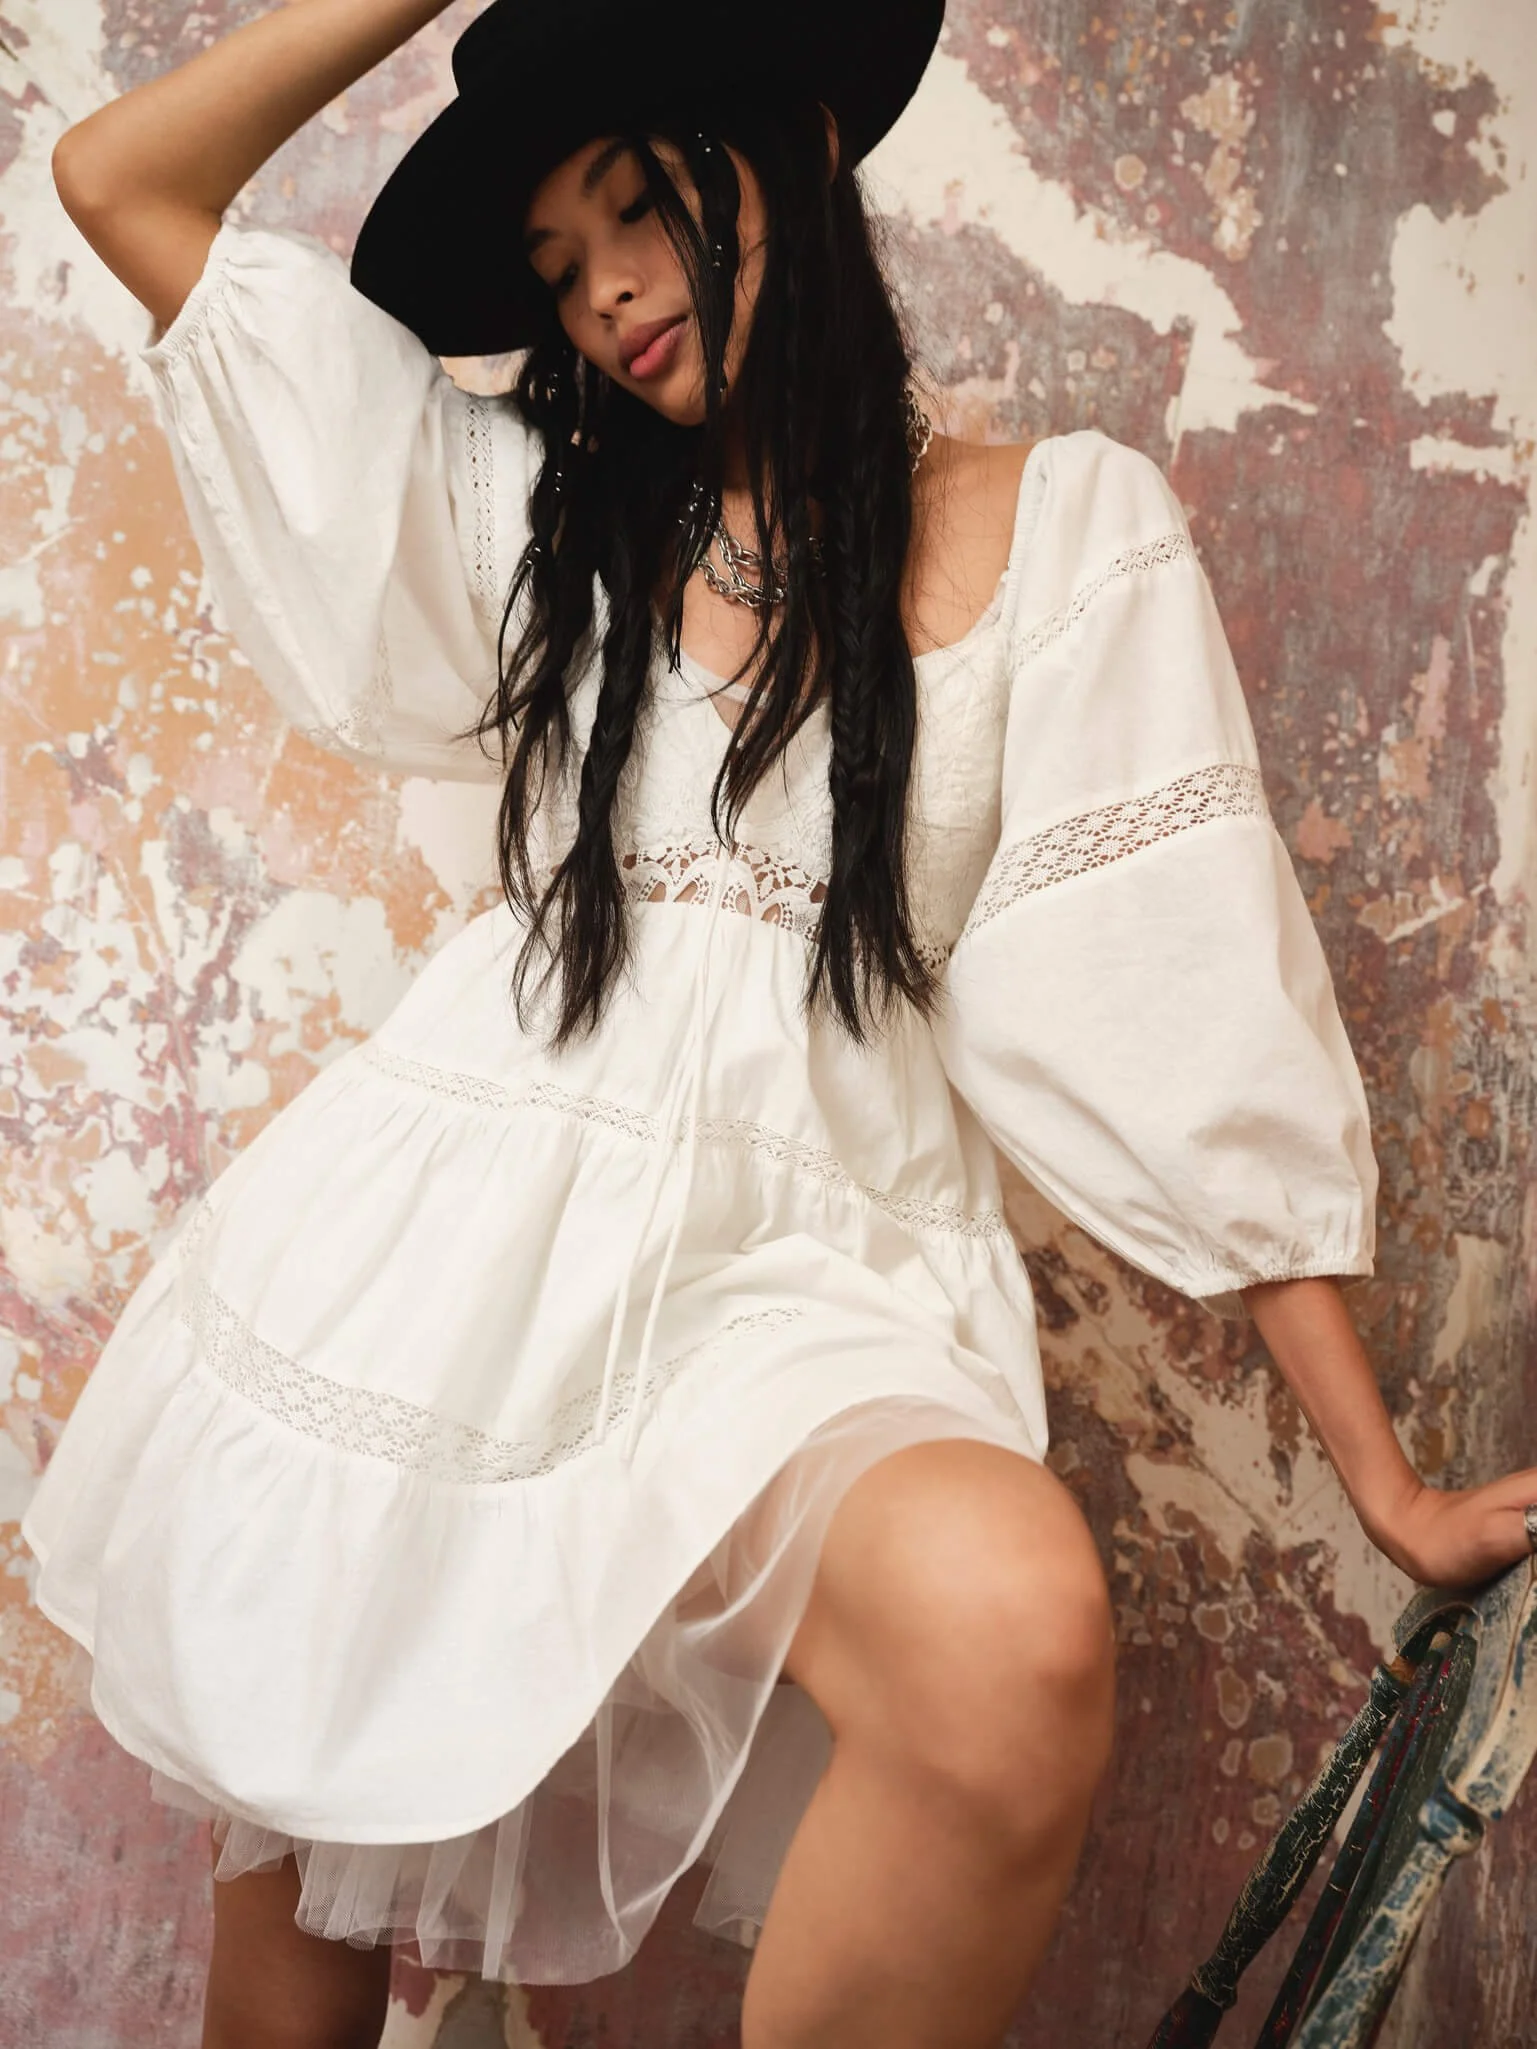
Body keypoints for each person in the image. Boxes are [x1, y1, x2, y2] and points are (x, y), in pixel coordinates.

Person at [25, 2, 1537, 2046]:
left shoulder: (1063, 532)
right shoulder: (529, 520)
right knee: (295, 1888)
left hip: (811, 1281)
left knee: (1012, 1629)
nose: (610, 290)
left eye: (641, 207)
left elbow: (1176, 991)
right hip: (460, 1246)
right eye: (558, 266)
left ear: (795, 152)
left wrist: (1389, 1484)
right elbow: (123, 183)